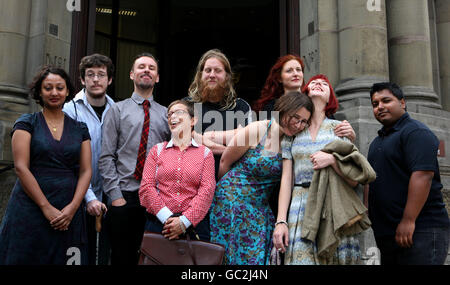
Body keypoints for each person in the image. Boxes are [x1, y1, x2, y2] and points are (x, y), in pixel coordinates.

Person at [0, 66, 92, 265]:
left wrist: (73, 207)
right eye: (48, 88)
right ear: (39, 92)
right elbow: (21, 167)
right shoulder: (27, 123)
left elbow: (86, 170)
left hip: (69, 208)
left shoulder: (80, 128)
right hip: (30, 208)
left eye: (60, 88)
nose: (54, 93)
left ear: (67, 91)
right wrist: (46, 207)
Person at [210, 92, 314, 265]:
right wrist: (229, 197)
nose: (298, 125)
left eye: (304, 121)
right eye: (295, 117)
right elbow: (224, 162)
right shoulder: (258, 129)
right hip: (230, 204)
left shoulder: (292, 141)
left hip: (259, 210)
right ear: (283, 110)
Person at [273, 74, 362, 265]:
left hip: (333, 203)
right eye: (313, 82)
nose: (319, 84)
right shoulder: (293, 131)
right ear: (304, 95)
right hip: (300, 206)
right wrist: (281, 221)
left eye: (324, 84)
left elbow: (354, 179)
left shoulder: (340, 129)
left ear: (330, 98)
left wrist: (332, 160)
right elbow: (286, 179)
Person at [99, 53, 171, 265]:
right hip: (124, 196)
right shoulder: (117, 110)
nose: (146, 70)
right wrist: (115, 197)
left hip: (157, 199)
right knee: (122, 258)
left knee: (153, 259)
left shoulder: (167, 115)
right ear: (132, 74)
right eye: (141, 66)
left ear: (157, 77)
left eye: (151, 67)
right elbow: (106, 156)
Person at [366, 82, 450, 265]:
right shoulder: (376, 142)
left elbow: (423, 175)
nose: (380, 107)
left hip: (421, 230)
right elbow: (370, 180)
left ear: (402, 103)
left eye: (386, 100)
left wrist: (408, 220)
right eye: (375, 104)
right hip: (389, 235)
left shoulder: (416, 132)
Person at [63, 53, 115, 265]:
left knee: (102, 254)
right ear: (82, 80)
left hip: (109, 196)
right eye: (90, 75)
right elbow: (70, 159)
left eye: (101, 75)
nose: (96, 80)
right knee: (75, 253)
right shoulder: (70, 109)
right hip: (76, 194)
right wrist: (89, 197)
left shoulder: (116, 110)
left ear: (109, 80)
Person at [139, 100, 215, 241]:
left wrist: (184, 222)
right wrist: (169, 219)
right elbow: (146, 187)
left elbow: (207, 190)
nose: (172, 116)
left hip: (194, 227)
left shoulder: (205, 154)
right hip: (159, 224)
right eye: (170, 114)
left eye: (179, 112)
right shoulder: (157, 151)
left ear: (193, 120)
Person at [186, 49, 253, 159]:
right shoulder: (187, 105)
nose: (212, 75)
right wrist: (232, 139)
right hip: (194, 174)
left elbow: (246, 141)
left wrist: (204, 137)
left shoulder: (241, 107)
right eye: (208, 70)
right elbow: (183, 140)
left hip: (231, 175)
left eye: (218, 70)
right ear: (200, 75)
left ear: (227, 76)